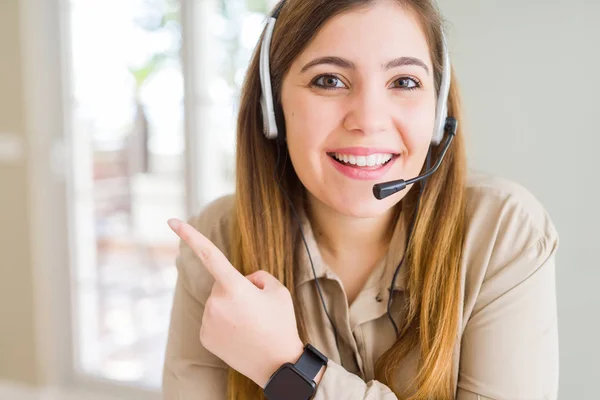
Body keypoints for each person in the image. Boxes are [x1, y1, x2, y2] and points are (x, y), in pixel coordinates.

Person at [162, 0, 559, 399]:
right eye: (329, 80)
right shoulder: (218, 240)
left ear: (438, 111)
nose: (369, 120)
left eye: (404, 82)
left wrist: (286, 366)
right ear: (273, 107)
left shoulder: (502, 231)